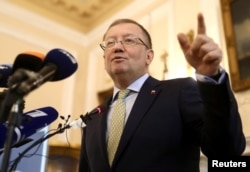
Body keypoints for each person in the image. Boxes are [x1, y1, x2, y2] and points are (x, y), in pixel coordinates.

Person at [78, 13, 246, 172]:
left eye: (129, 40)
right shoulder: (92, 118)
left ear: (149, 57)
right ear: (104, 57)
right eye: (110, 43)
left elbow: (227, 151)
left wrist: (211, 78)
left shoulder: (179, 91)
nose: (117, 47)